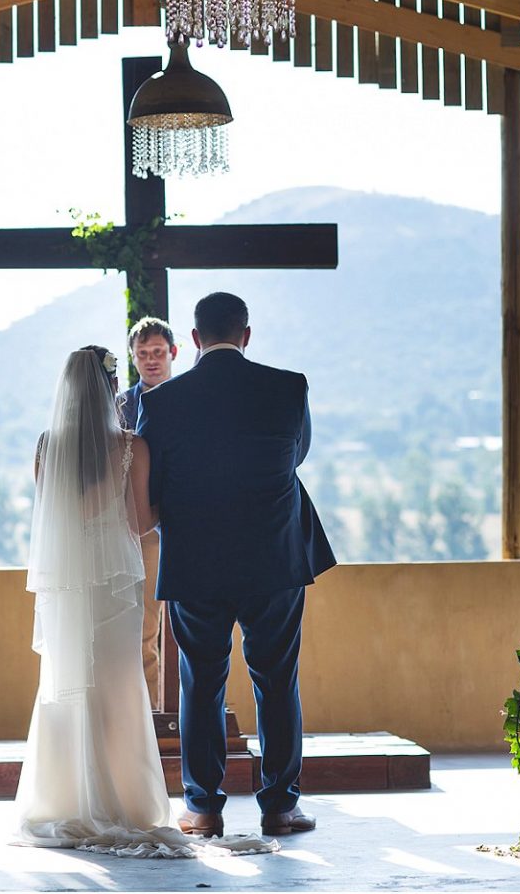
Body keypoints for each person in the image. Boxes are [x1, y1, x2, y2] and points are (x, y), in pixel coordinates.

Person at [12, 344, 275, 858]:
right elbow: (140, 523)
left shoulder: (46, 446)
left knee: (67, 681)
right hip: (115, 585)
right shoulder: (131, 446)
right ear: (112, 387)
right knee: (118, 683)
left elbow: (50, 515)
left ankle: (63, 798)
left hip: (69, 585)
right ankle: (125, 800)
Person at [137, 293, 337, 839]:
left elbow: (154, 482)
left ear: (193, 340)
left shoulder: (164, 402)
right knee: (277, 678)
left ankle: (203, 809)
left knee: (201, 682)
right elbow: (295, 454)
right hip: (273, 554)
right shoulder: (288, 387)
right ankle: (280, 806)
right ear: (246, 335)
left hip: (195, 558)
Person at [117, 316, 178, 708]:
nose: (151, 360)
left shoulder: (189, 397)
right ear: (133, 358)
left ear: (173, 353)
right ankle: (152, 716)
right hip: (142, 534)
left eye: (158, 352)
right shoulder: (121, 406)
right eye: (143, 354)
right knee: (144, 632)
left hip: (189, 525)